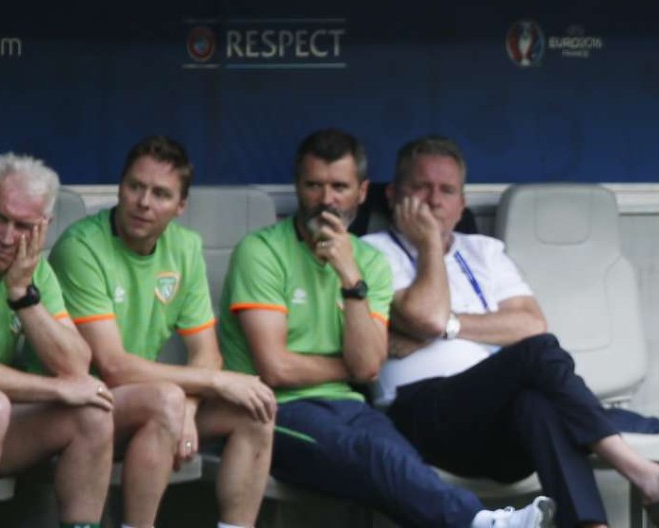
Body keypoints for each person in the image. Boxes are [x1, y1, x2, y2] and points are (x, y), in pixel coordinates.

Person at [217, 128, 555, 528]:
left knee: (402, 464)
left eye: (339, 187)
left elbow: (366, 365)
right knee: (372, 456)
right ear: (298, 187)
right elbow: (276, 369)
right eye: (314, 185)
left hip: (347, 406)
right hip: (272, 408)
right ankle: (481, 523)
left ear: (361, 193)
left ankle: (481, 523)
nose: (327, 199)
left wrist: (349, 276)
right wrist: (352, 367)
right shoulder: (262, 251)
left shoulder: (368, 261)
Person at [361, 135, 659, 528]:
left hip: (494, 426)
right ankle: (644, 474)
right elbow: (427, 315)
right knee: (536, 354)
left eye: (446, 190)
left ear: (461, 204)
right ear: (395, 194)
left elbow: (530, 323)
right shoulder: (370, 250)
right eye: (421, 187)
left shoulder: (483, 251)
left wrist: (448, 328)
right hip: (421, 415)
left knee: (537, 402)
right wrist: (431, 244)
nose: (434, 200)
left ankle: (591, 526)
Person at [49, 136, 276, 528]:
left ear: (181, 206)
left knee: (255, 409)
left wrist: (188, 409)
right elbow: (113, 365)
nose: (144, 202)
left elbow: (206, 350)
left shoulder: (185, 247)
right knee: (166, 400)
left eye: (160, 193)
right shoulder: (82, 246)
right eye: (135, 186)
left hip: (152, 403)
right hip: (77, 406)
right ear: (120, 186)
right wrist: (213, 383)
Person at [0, 153, 114, 528]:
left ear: (42, 228)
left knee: (93, 410)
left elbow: (76, 365)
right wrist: (55, 390)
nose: (7, 237)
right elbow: (64, 384)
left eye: (23, 226)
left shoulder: (33, 269)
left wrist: (22, 293)